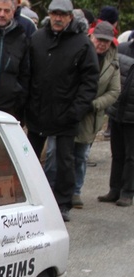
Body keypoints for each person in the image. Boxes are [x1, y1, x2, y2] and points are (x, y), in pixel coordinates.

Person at [26, 0, 99, 221]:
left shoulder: (82, 44)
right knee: (28, 159)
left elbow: (90, 82)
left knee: (65, 161)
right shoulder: (37, 39)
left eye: (63, 14)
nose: (58, 18)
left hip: (66, 114)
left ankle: (63, 203)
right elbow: (27, 73)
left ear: (70, 17)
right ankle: (29, 198)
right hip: (37, 111)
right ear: (49, 14)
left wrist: (76, 110)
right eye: (54, 13)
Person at [70, 21, 120, 207]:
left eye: (106, 41)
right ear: (92, 37)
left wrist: (94, 104)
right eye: (99, 39)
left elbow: (114, 92)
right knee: (58, 153)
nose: (102, 44)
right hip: (70, 109)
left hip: (91, 116)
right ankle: (56, 189)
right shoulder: (78, 52)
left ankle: (75, 192)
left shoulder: (113, 64)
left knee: (81, 155)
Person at [99, 35, 134, 206]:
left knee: (131, 156)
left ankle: (127, 192)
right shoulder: (123, 49)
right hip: (117, 111)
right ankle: (114, 189)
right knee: (117, 153)